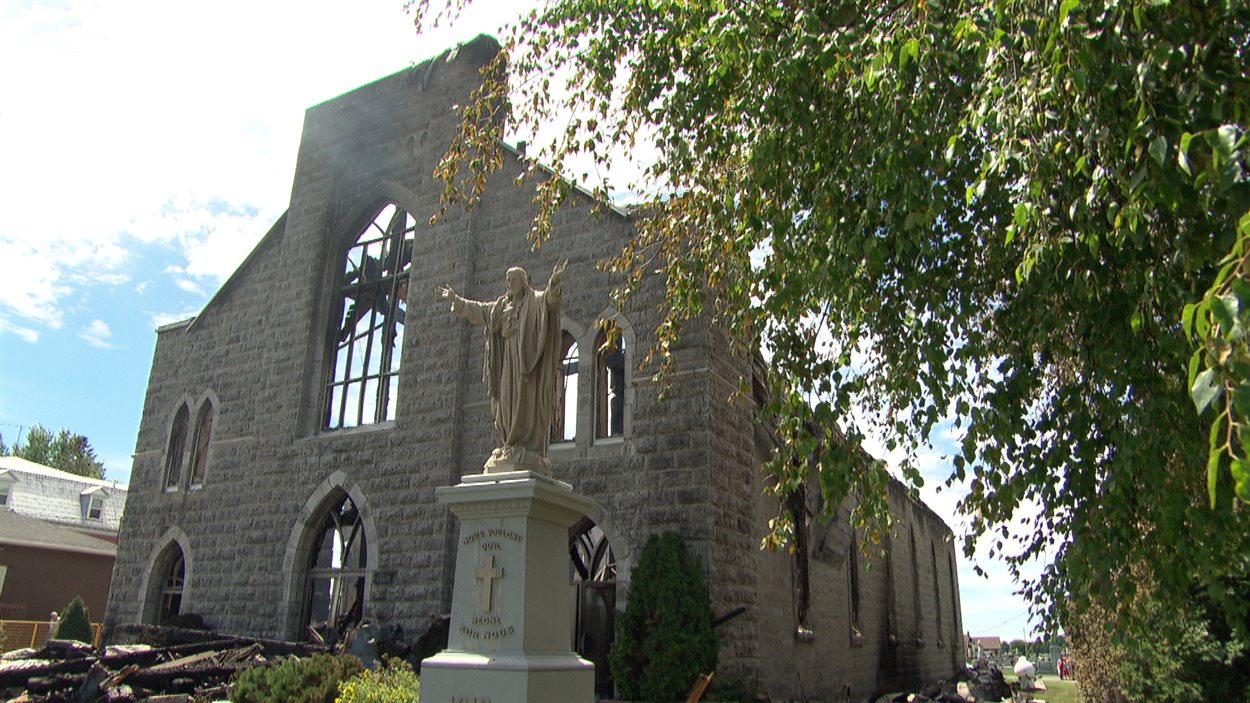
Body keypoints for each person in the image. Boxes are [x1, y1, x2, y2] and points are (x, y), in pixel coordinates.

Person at [436, 261, 566, 474]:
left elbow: (549, 301)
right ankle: (509, 445)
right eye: (507, 280)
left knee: (523, 401)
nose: (509, 283)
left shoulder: (534, 300)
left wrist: (554, 281)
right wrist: (456, 300)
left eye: (513, 279)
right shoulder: (500, 307)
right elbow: (479, 311)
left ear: (523, 282)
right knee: (505, 400)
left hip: (525, 362)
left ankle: (525, 446)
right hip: (507, 360)